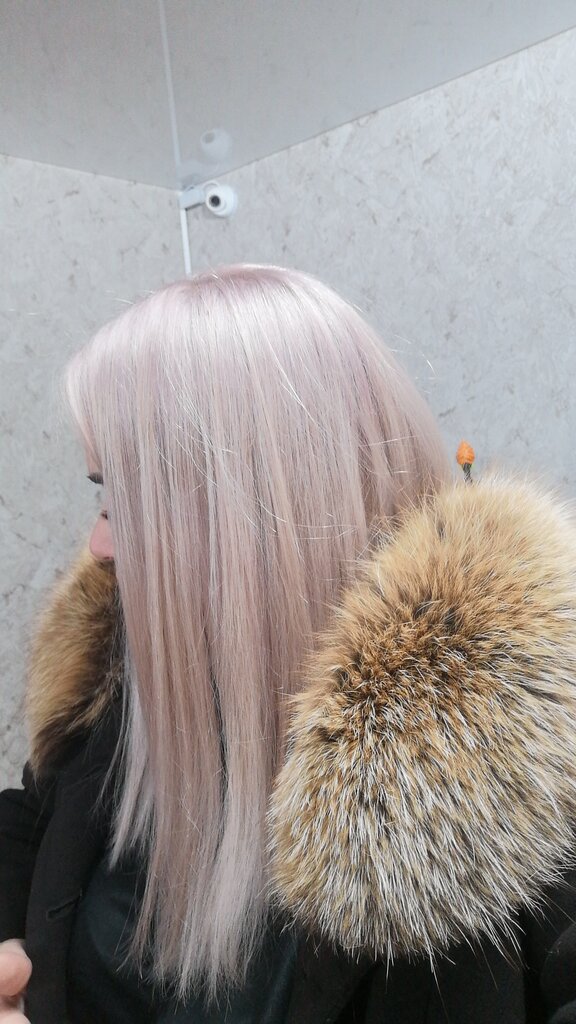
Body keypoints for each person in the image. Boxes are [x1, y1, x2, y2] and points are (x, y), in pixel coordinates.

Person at [0, 263, 575, 1024]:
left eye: (120, 500)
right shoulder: (123, 681)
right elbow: (33, 813)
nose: (97, 545)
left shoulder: (512, 812)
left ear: (244, 522)